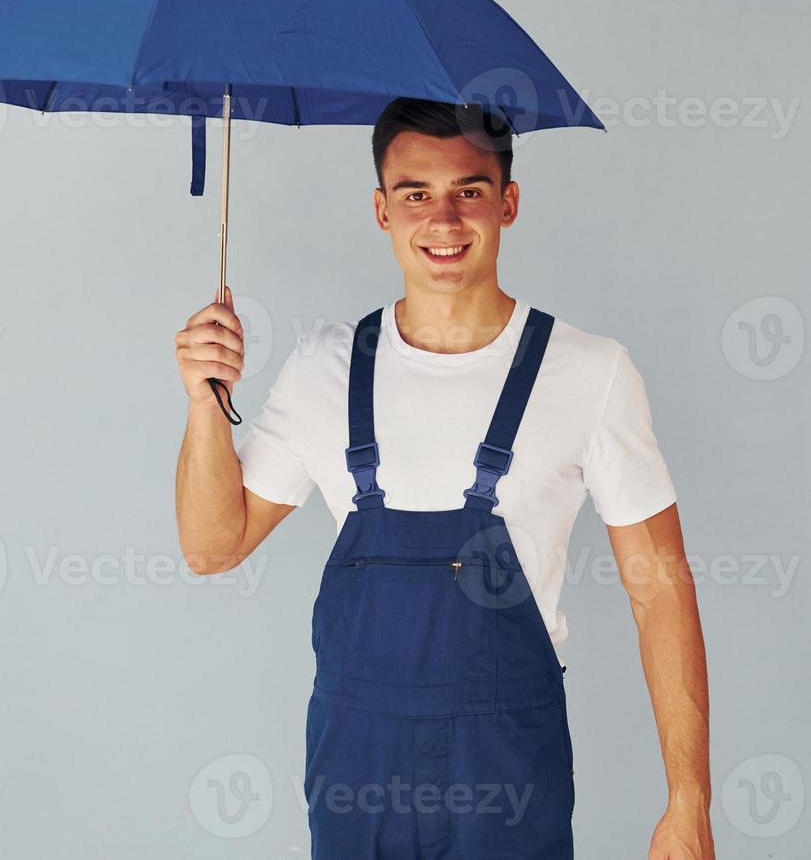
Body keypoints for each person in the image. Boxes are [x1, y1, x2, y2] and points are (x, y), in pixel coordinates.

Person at [174, 98, 714, 860]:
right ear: (380, 209)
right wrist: (205, 401)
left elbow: (661, 588)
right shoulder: (322, 369)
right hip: (354, 769)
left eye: (469, 190)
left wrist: (688, 802)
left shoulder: (590, 373)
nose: (444, 219)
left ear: (509, 202)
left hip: (508, 771)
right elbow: (211, 546)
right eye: (415, 194)